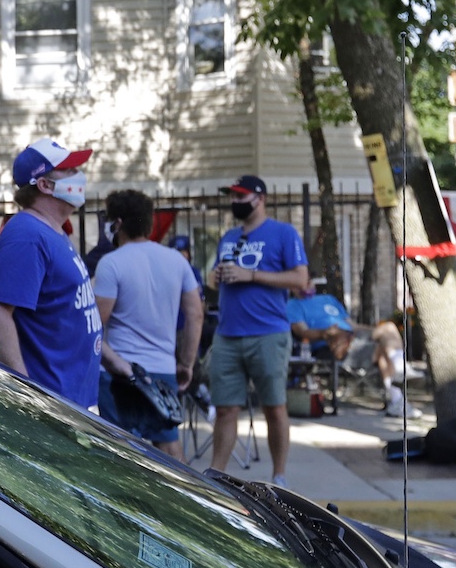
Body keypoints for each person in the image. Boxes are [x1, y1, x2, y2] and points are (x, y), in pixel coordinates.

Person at [204, 175, 309, 485]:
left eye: (241, 196)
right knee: (225, 409)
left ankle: (279, 476)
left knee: (274, 407)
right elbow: (215, 278)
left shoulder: (283, 233)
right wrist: (216, 276)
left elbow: (300, 280)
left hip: (268, 333)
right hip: (227, 334)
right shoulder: (228, 238)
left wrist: (251, 274)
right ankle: (215, 477)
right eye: (232, 196)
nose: (235, 201)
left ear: (260, 198)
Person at [0, 138, 103, 408]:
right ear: (45, 185)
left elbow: (70, 311)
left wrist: (115, 362)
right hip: (49, 406)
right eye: (69, 170)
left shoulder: (52, 232)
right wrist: (27, 394)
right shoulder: (27, 235)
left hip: (69, 401)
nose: (79, 176)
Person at [93, 190, 204, 458]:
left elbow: (96, 324)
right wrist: (186, 363)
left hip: (119, 373)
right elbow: (195, 315)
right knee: (169, 449)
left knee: (119, 450)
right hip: (163, 369)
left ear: (117, 223)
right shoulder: (176, 260)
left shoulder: (111, 263)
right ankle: (181, 498)